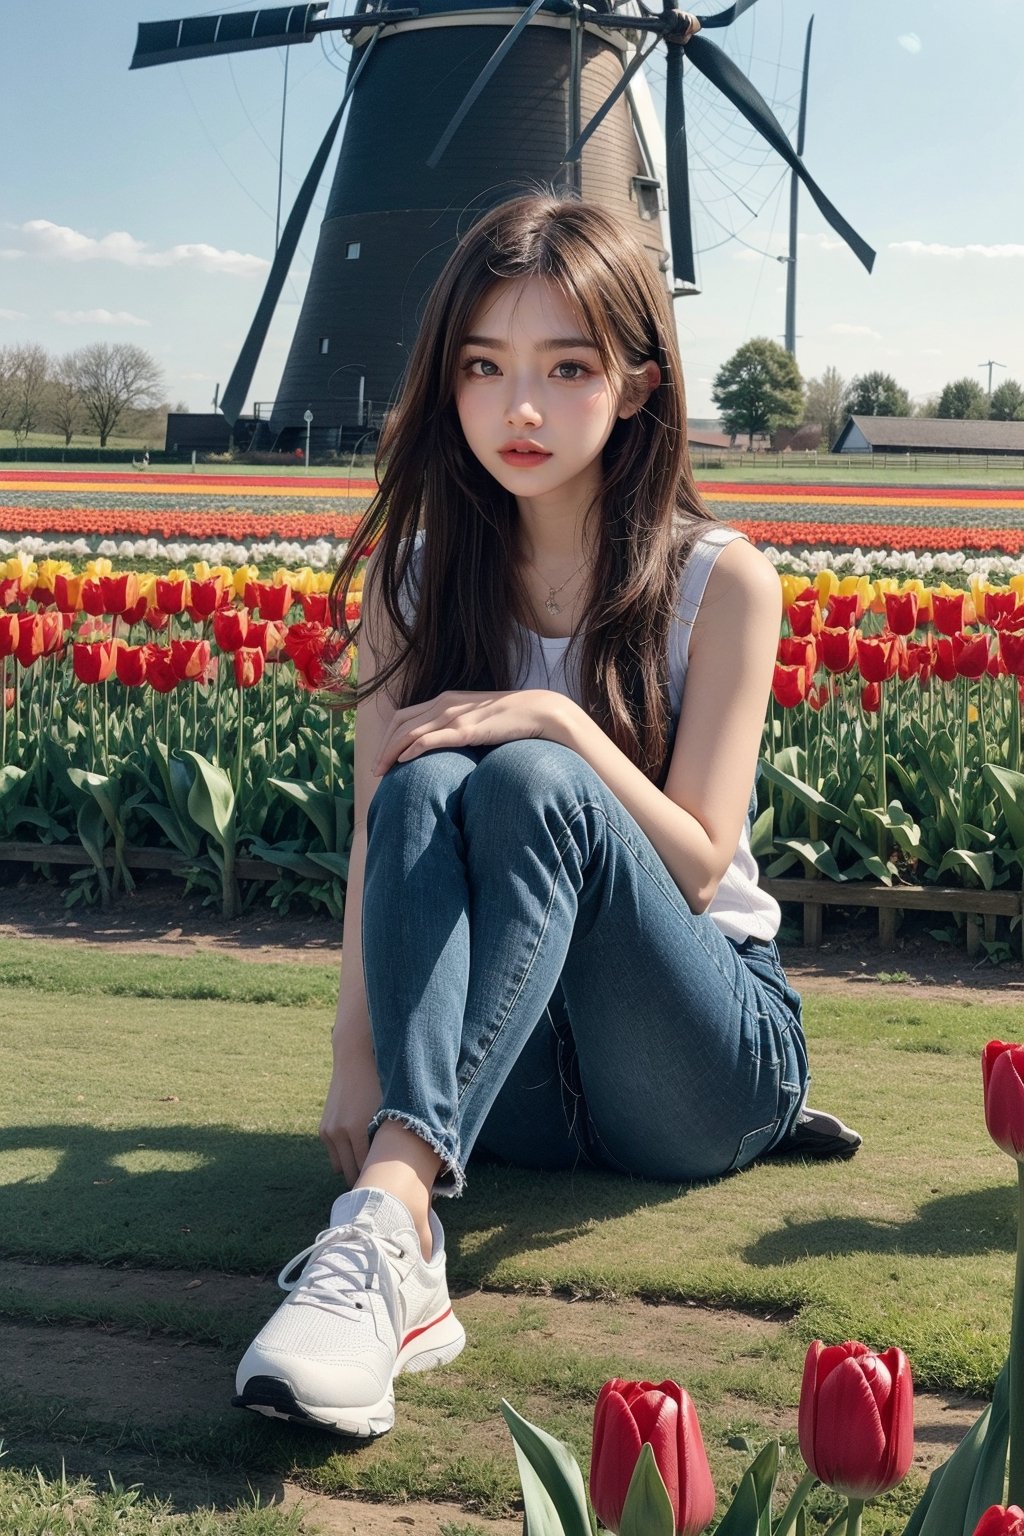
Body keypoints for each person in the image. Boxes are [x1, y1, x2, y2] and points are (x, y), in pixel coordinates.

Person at [233, 193, 858, 1439]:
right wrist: (354, 1068)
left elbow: (691, 863)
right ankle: (401, 1209)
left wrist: (561, 721)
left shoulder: (714, 584)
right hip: (506, 1090)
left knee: (529, 775)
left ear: (634, 385)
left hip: (698, 1059)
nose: (520, 408)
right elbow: (379, 839)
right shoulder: (417, 581)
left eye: (565, 367)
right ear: (447, 382)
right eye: (484, 366)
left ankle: (387, 1238)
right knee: (419, 778)